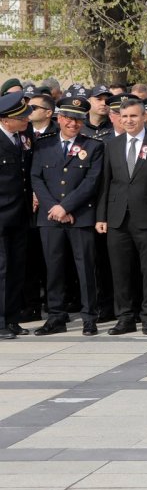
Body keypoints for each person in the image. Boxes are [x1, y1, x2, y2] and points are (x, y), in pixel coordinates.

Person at [94, 98, 147, 335]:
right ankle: (125, 317)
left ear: (144, 117)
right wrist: (101, 216)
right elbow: (105, 183)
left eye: (134, 116)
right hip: (117, 218)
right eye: (124, 116)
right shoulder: (112, 145)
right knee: (120, 270)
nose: (128, 121)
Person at [31, 96, 104, 336]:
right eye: (69, 118)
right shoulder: (43, 144)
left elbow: (91, 182)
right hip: (50, 217)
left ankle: (89, 317)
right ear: (59, 118)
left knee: (85, 269)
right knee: (54, 269)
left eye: (78, 119)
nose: (73, 124)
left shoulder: (93, 146)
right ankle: (56, 317)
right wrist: (55, 208)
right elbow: (36, 178)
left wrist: (67, 207)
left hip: (80, 216)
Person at [0, 93, 34, 339]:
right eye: (20, 117)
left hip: (20, 216)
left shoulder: (21, 138)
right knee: (1, 270)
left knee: (16, 268)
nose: (26, 120)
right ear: (5, 119)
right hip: (1, 216)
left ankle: (12, 318)